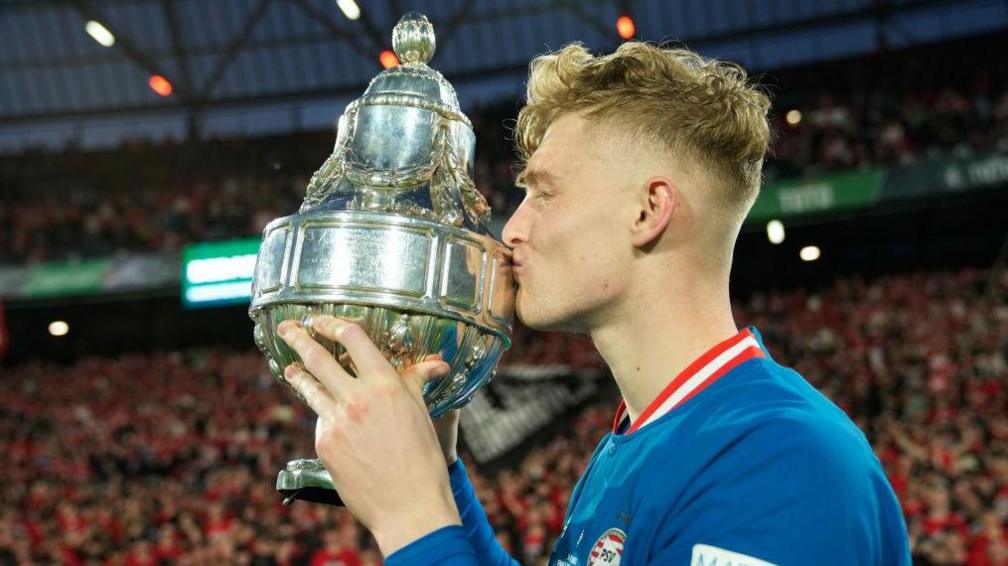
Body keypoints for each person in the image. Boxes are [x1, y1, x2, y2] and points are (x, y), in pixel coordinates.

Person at [275, 41, 912, 565]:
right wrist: (436, 471)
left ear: (647, 211)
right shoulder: (641, 441)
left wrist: (412, 517)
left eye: (544, 194)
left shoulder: (781, 464)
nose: (513, 230)